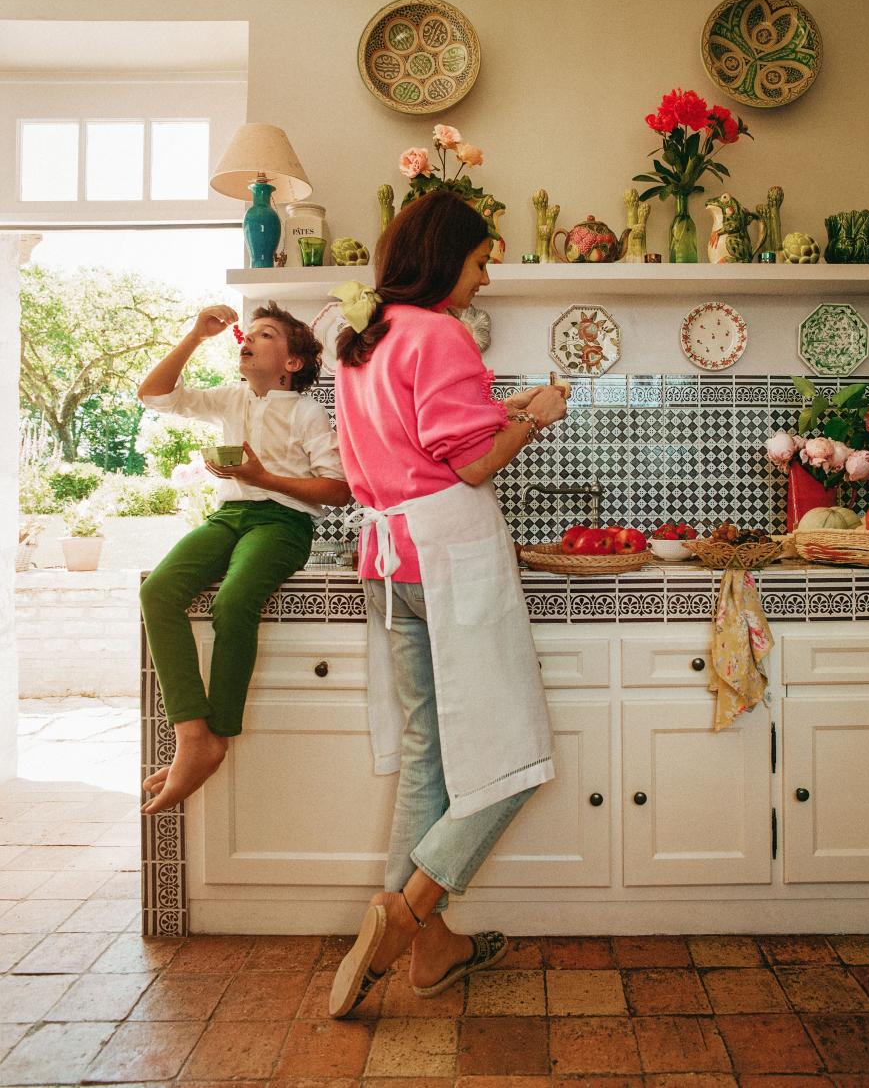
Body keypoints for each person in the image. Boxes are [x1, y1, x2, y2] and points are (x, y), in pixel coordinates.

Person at [327, 189, 567, 1017]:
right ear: (443, 258)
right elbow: (468, 466)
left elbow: (419, 442)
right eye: (479, 260)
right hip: (450, 553)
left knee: (430, 750)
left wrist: (500, 414)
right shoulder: (440, 332)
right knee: (515, 754)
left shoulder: (361, 339)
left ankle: (428, 951)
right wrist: (535, 414)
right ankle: (406, 910)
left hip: (389, 557)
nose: (487, 276)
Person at [138, 300, 351, 814]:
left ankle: (218, 734)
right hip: (228, 518)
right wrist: (195, 335)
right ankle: (194, 735)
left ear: (291, 363)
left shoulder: (306, 410)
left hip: (282, 522)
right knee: (157, 592)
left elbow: (338, 489)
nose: (247, 338)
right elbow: (154, 395)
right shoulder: (231, 399)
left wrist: (263, 479)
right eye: (247, 333)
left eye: (266, 333)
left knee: (233, 603)